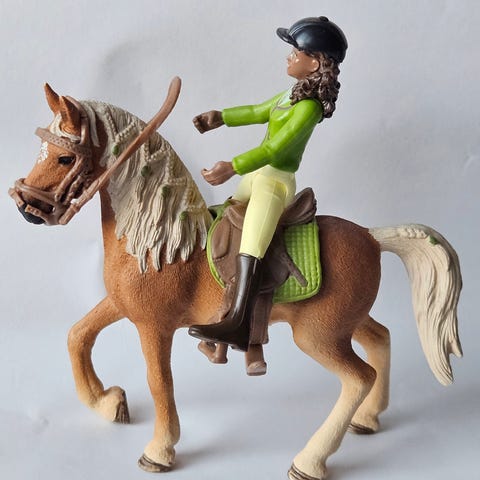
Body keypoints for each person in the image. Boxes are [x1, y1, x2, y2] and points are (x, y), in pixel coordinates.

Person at [188, 16, 348, 351]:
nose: (289, 56)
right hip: (256, 177)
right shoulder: (292, 95)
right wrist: (221, 117)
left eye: (295, 52)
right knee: (224, 217)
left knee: (253, 242)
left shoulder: (309, 109)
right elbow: (257, 110)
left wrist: (233, 166)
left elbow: (275, 149)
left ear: (314, 62)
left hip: (274, 182)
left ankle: (238, 322)